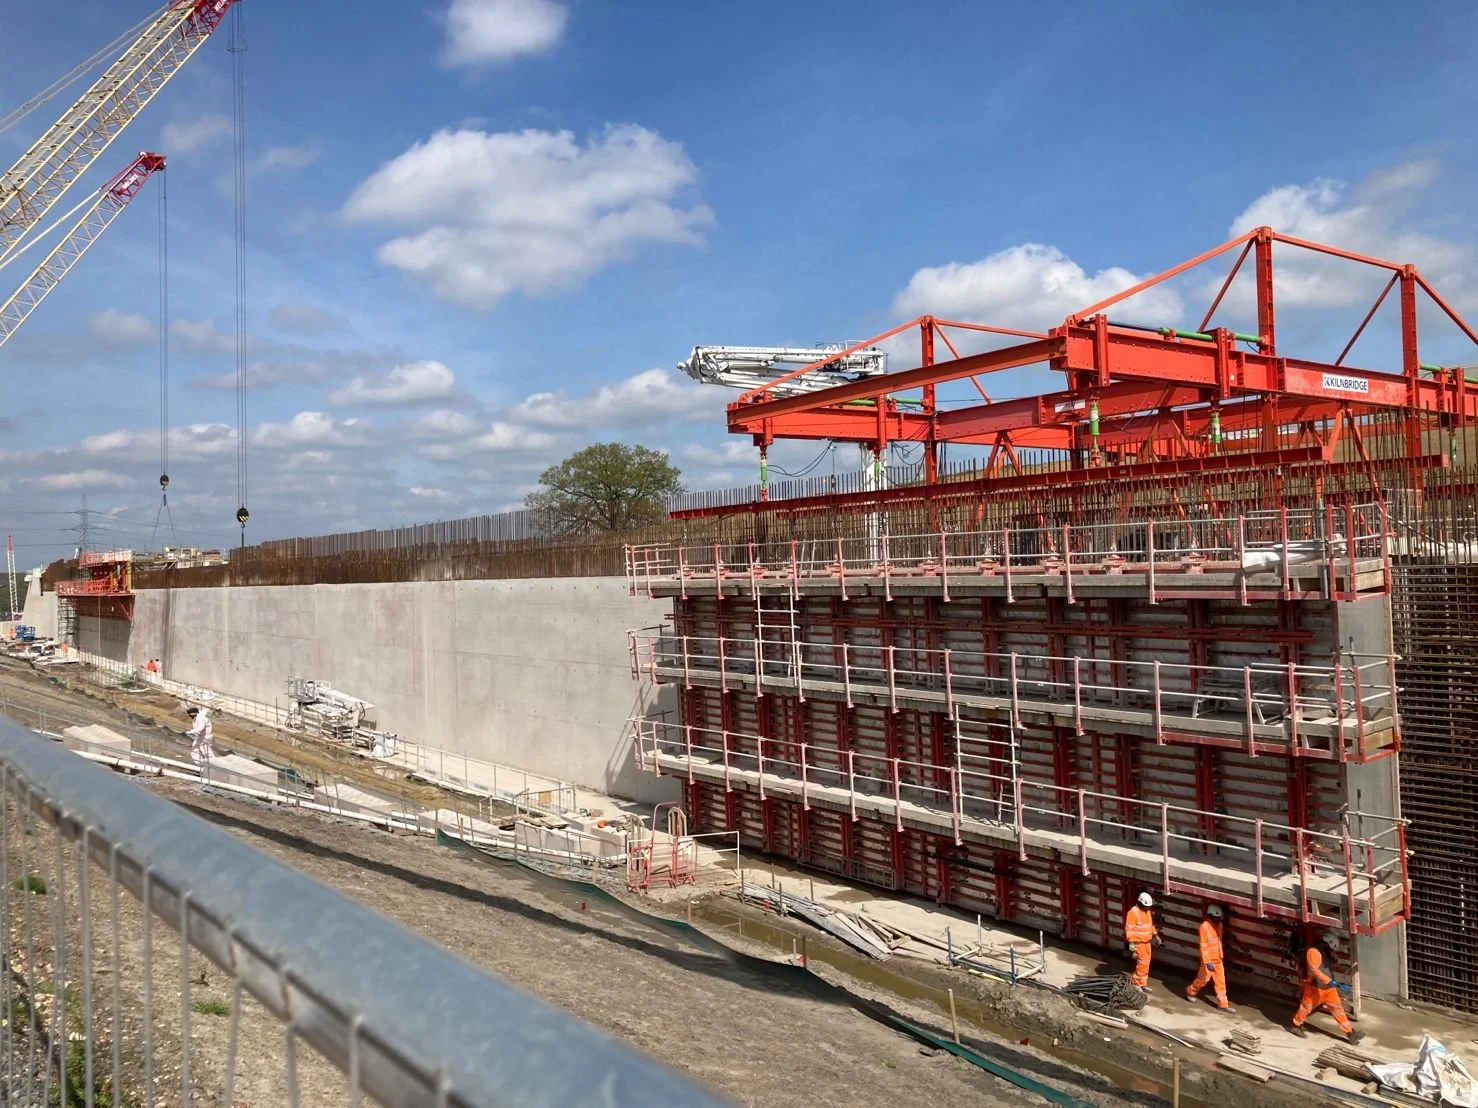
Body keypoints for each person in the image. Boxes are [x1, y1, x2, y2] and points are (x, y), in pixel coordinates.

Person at [1291, 934, 1363, 1043]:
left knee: (1338, 1010)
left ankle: (1350, 1033)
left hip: (1328, 988)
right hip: (1315, 987)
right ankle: (1295, 1025)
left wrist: (1335, 964)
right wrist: (1330, 981)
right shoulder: (1313, 952)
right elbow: (1315, 971)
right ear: (1326, 943)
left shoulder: (1324, 952)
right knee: (1306, 1008)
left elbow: (1328, 966)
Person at [1186, 903, 1234, 1012]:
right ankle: (1190, 991)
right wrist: (1207, 962)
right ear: (1210, 916)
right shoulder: (1204, 927)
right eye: (1216, 918)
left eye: (1219, 918)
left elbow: (1218, 942)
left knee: (1221, 982)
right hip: (1208, 961)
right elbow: (1203, 946)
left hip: (1217, 959)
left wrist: (1220, 956)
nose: (1218, 920)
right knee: (1203, 979)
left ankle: (1223, 1004)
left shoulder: (1219, 925)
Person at [1125, 891, 1161, 990]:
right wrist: (1132, 946)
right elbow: (1129, 930)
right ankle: (1136, 983)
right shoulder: (1133, 912)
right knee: (1141, 964)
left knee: (1146, 964)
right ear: (1141, 903)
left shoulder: (1147, 912)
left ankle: (1142, 983)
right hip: (1138, 943)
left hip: (1146, 942)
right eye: (1147, 906)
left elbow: (1150, 925)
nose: (1149, 908)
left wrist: (1156, 936)